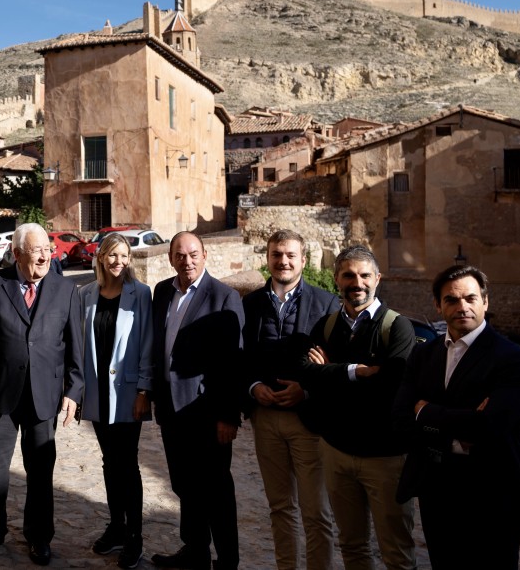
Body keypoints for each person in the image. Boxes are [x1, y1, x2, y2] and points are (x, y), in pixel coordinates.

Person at [393, 266, 520, 570]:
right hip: (437, 491)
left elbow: (493, 426)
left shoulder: (514, 359)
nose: (462, 307)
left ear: (486, 301)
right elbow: (401, 418)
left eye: (471, 298)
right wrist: (465, 420)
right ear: (438, 305)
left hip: (491, 495)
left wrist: (427, 412)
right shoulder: (422, 355)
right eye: (452, 300)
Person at [0, 223, 84, 566]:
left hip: (45, 395)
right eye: (37, 251)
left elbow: (76, 346)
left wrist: (74, 391)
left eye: (48, 249)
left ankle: (39, 536)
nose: (46, 255)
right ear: (16, 254)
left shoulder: (66, 289)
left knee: (41, 471)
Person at [300, 246, 416, 570]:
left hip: (385, 459)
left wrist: (330, 373)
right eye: (349, 275)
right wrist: (356, 371)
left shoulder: (398, 328)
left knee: (397, 553)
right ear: (337, 278)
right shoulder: (326, 326)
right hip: (337, 454)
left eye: (365, 275)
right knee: (352, 547)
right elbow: (306, 375)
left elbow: (390, 385)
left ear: (377, 278)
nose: (357, 282)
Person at [241, 230, 339, 570]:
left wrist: (308, 389)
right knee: (279, 506)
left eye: (290, 255)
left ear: (303, 260)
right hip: (265, 419)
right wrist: (253, 387)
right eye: (277, 254)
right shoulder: (250, 304)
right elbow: (242, 357)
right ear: (268, 258)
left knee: (316, 511)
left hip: (308, 419)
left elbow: (336, 364)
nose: (283, 261)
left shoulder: (327, 303)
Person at [151, 231, 244, 570]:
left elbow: (233, 363)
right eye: (179, 254)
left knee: (216, 491)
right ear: (170, 258)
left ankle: (227, 560)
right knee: (184, 485)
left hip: (208, 414)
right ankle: (195, 550)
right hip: (172, 411)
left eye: (192, 254)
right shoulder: (162, 292)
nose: (186, 261)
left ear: (205, 254)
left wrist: (228, 416)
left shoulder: (224, 297)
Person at [79, 232, 154, 569]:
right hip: (97, 394)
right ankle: (116, 526)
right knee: (109, 462)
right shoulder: (85, 294)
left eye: (124, 256)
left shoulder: (140, 294)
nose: (118, 262)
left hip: (127, 394)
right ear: (101, 257)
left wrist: (143, 391)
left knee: (128, 464)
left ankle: (135, 536)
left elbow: (148, 344)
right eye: (112, 255)